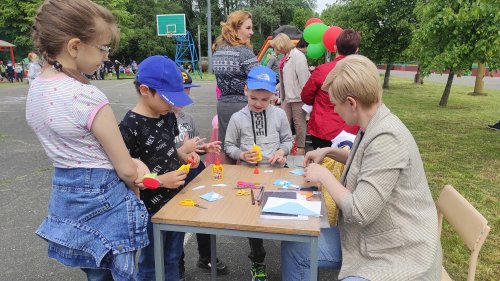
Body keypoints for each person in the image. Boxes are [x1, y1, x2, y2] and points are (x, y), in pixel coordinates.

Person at [282, 55, 442, 280]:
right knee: (296, 246)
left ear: (351, 103)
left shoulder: (388, 138)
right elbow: (367, 162)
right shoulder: (373, 124)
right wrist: (329, 152)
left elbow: (359, 211)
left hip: (400, 253)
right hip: (371, 239)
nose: (335, 110)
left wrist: (325, 175)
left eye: (335, 104)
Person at [26, 1, 151, 280]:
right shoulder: (86, 96)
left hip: (66, 192)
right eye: (103, 48)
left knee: (94, 268)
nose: (106, 56)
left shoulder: (36, 90)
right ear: (74, 46)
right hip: (103, 194)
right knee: (119, 269)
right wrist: (138, 168)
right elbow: (126, 168)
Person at [118, 55, 200, 281]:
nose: (173, 105)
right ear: (145, 90)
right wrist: (161, 181)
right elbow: (126, 173)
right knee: (152, 264)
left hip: (174, 202)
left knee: (173, 257)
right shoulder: (130, 125)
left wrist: (185, 155)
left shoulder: (167, 116)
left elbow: (169, 149)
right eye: (167, 99)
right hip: (149, 209)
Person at [225, 66, 293, 281]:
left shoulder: (280, 114)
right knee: (254, 222)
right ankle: (258, 261)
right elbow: (229, 146)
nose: (258, 103)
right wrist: (243, 155)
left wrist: (282, 152)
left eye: (265, 99)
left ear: (274, 96)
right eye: (254, 97)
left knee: (283, 218)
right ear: (245, 90)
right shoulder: (237, 118)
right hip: (249, 178)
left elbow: (288, 141)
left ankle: (293, 261)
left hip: (277, 174)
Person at [173, 68, 229, 279]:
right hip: (174, 174)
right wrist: (185, 153)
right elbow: (168, 151)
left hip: (193, 171)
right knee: (176, 219)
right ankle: (177, 263)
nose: (185, 96)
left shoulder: (187, 117)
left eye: (187, 91)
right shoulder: (161, 119)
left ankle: (206, 256)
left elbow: (194, 144)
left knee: (204, 211)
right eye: (181, 90)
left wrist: (204, 150)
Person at [212, 10, 260, 163]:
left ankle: (226, 184)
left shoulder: (218, 51)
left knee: (228, 149)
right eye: (248, 28)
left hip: (223, 105)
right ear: (235, 28)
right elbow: (259, 80)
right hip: (243, 106)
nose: (251, 32)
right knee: (249, 152)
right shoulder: (244, 52)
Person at [301, 29, 361, 150]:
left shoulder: (322, 70)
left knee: (319, 165)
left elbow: (306, 96)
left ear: (335, 47)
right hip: (349, 131)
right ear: (356, 50)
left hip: (323, 128)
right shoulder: (361, 73)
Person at [273, 33, 310, 155]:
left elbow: (304, 78)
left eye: (277, 47)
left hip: (298, 96)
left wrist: (305, 97)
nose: (276, 49)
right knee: (283, 121)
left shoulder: (298, 56)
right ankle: (286, 145)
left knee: (299, 123)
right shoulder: (286, 56)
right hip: (287, 96)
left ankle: (301, 147)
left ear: (283, 45)